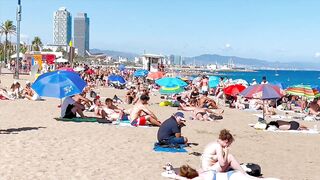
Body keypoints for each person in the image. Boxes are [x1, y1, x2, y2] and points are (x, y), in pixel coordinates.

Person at [163, 164, 279, 180]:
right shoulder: (200, 171)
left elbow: (183, 178)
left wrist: (173, 175)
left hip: (233, 178)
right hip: (233, 174)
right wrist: (172, 169)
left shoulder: (198, 179)